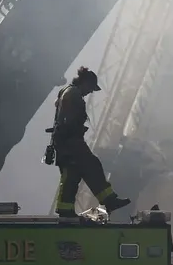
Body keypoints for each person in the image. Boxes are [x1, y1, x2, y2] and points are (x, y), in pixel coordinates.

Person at [48, 66, 130, 218]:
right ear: (85, 82)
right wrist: (77, 130)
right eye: (91, 88)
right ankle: (109, 200)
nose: (90, 91)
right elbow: (69, 121)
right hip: (71, 142)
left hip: (66, 143)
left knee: (72, 174)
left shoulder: (68, 92)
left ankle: (65, 209)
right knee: (92, 165)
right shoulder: (73, 94)